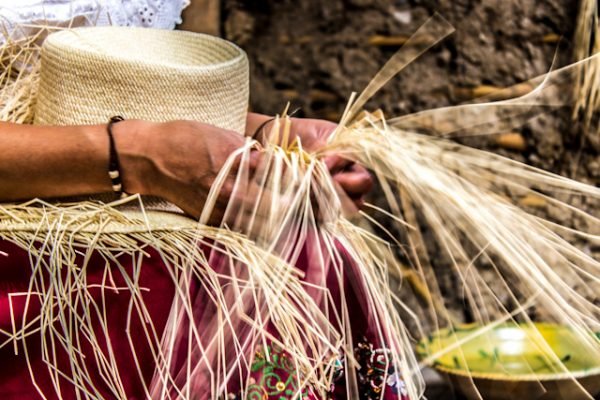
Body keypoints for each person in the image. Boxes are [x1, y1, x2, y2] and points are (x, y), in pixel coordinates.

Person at [0, 2, 411, 400]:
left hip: (169, 209)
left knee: (314, 259)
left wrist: (263, 137)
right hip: (33, 250)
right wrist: (141, 157)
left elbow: (135, 85)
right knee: (159, 286)